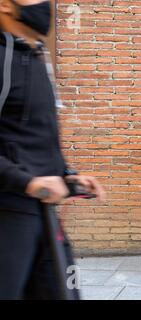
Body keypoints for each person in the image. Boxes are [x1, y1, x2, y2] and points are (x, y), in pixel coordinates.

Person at [0, 0, 105, 299]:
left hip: (43, 216)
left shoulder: (34, 57)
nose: (44, 4)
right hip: (9, 217)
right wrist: (30, 182)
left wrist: (69, 177)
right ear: (5, 5)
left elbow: (35, 138)